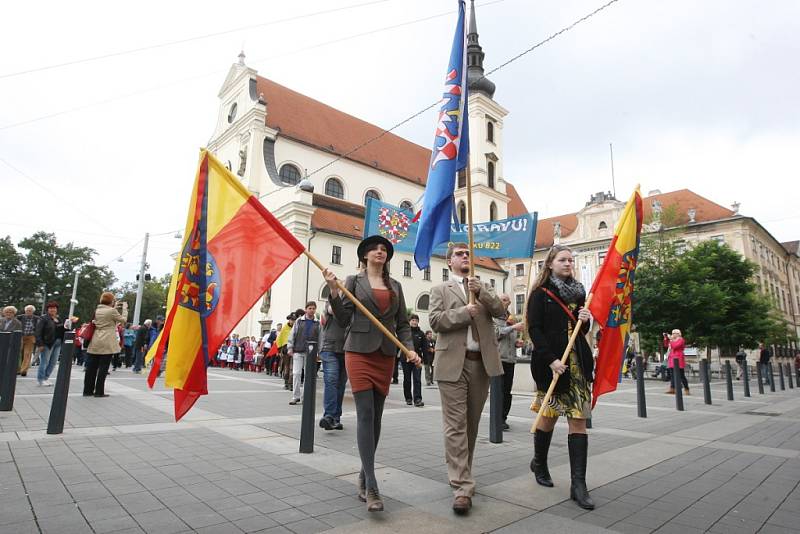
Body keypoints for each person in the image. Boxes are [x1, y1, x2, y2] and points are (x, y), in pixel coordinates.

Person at [323, 234, 420, 513]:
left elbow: (402, 324)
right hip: (359, 352)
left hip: (385, 353)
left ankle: (364, 475)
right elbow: (343, 319)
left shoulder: (396, 286)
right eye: (374, 249)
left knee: (376, 418)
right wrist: (333, 290)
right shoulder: (354, 282)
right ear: (364, 255)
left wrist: (409, 349)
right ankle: (373, 485)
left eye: (384, 250)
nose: (380, 252)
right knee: (365, 414)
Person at [429, 242, 505, 515]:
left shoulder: (484, 288)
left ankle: (463, 472)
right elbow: (436, 321)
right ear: (449, 262)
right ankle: (461, 485)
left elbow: (500, 312)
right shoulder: (440, 289)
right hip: (452, 364)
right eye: (460, 254)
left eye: (468, 254)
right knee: (455, 425)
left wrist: (481, 292)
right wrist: (464, 313)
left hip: (480, 364)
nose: (465, 257)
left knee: (471, 423)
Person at [527, 244, 595, 510]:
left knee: (578, 421)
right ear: (551, 263)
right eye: (563, 259)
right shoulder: (540, 294)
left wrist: (585, 318)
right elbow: (535, 329)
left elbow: (581, 328)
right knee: (548, 417)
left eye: (571, 260)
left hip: (577, 365)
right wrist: (551, 359)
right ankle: (539, 463)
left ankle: (578, 484)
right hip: (552, 366)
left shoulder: (579, 292)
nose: (568, 264)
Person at [84, 292, 127, 397]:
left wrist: (114, 306)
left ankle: (87, 390)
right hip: (107, 340)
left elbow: (107, 313)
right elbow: (123, 320)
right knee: (103, 367)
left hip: (95, 339)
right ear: (111, 301)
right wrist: (125, 309)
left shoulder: (97, 310)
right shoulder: (112, 311)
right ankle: (99, 391)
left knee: (92, 367)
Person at [495, 295, 524, 431]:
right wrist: (513, 328)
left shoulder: (511, 318)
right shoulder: (493, 317)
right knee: (499, 391)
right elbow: (496, 334)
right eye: (505, 300)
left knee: (507, 391)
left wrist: (516, 343)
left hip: (510, 359)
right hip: (498, 359)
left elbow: (509, 338)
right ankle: (498, 419)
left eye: (509, 300)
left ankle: (504, 417)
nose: (509, 302)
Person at [319, 301, 347, 430]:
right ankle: (329, 416)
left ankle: (335, 418)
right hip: (329, 348)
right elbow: (333, 310)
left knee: (340, 385)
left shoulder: (352, 306)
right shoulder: (330, 304)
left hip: (346, 350)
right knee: (331, 381)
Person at [287, 302, 320, 405]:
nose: (311, 310)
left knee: (308, 375)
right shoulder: (299, 321)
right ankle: (295, 396)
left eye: (313, 308)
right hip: (298, 350)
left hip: (311, 352)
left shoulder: (317, 323)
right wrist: (290, 347)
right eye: (310, 308)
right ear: (306, 309)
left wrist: (319, 352)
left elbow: (320, 338)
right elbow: (292, 334)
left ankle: (305, 397)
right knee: (296, 373)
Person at [34, 302, 64, 386]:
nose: (53, 310)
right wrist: (40, 344)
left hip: (57, 343)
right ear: (47, 309)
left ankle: (46, 378)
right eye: (50, 308)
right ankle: (41, 379)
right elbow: (38, 331)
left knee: (53, 362)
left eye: (54, 308)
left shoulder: (58, 318)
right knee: (44, 361)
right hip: (47, 343)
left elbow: (62, 329)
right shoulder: (43, 318)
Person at [404, 314, 425, 407]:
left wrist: (424, 360)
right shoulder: (405, 333)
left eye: (416, 320)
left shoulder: (421, 334)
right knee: (407, 379)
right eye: (412, 320)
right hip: (405, 359)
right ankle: (408, 398)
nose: (414, 322)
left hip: (417, 360)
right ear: (409, 321)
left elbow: (425, 348)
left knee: (417, 379)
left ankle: (417, 399)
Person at [664, 329, 689, 395]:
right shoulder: (672, 340)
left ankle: (686, 388)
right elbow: (666, 345)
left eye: (674, 333)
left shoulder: (681, 339)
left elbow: (675, 346)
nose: (673, 334)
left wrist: (671, 340)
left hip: (678, 358)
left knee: (681, 375)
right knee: (672, 375)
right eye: (672, 333)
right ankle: (672, 389)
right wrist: (666, 338)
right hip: (671, 358)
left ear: (678, 334)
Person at [17, 305, 39, 377]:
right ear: (25, 311)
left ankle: (24, 370)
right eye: (27, 310)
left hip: (31, 337)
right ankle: (17, 369)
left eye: (30, 311)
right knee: (18, 353)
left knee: (27, 354)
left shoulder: (37, 318)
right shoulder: (20, 317)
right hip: (21, 336)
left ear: (33, 312)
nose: (28, 312)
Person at [276, 315, 295, 389]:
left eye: (294, 320)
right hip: (285, 348)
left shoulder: (296, 327)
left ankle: (291, 383)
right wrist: (279, 350)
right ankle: (286, 383)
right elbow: (280, 338)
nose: (292, 321)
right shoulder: (285, 328)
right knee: (287, 367)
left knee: (292, 367)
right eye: (291, 320)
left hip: (294, 348)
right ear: (289, 320)